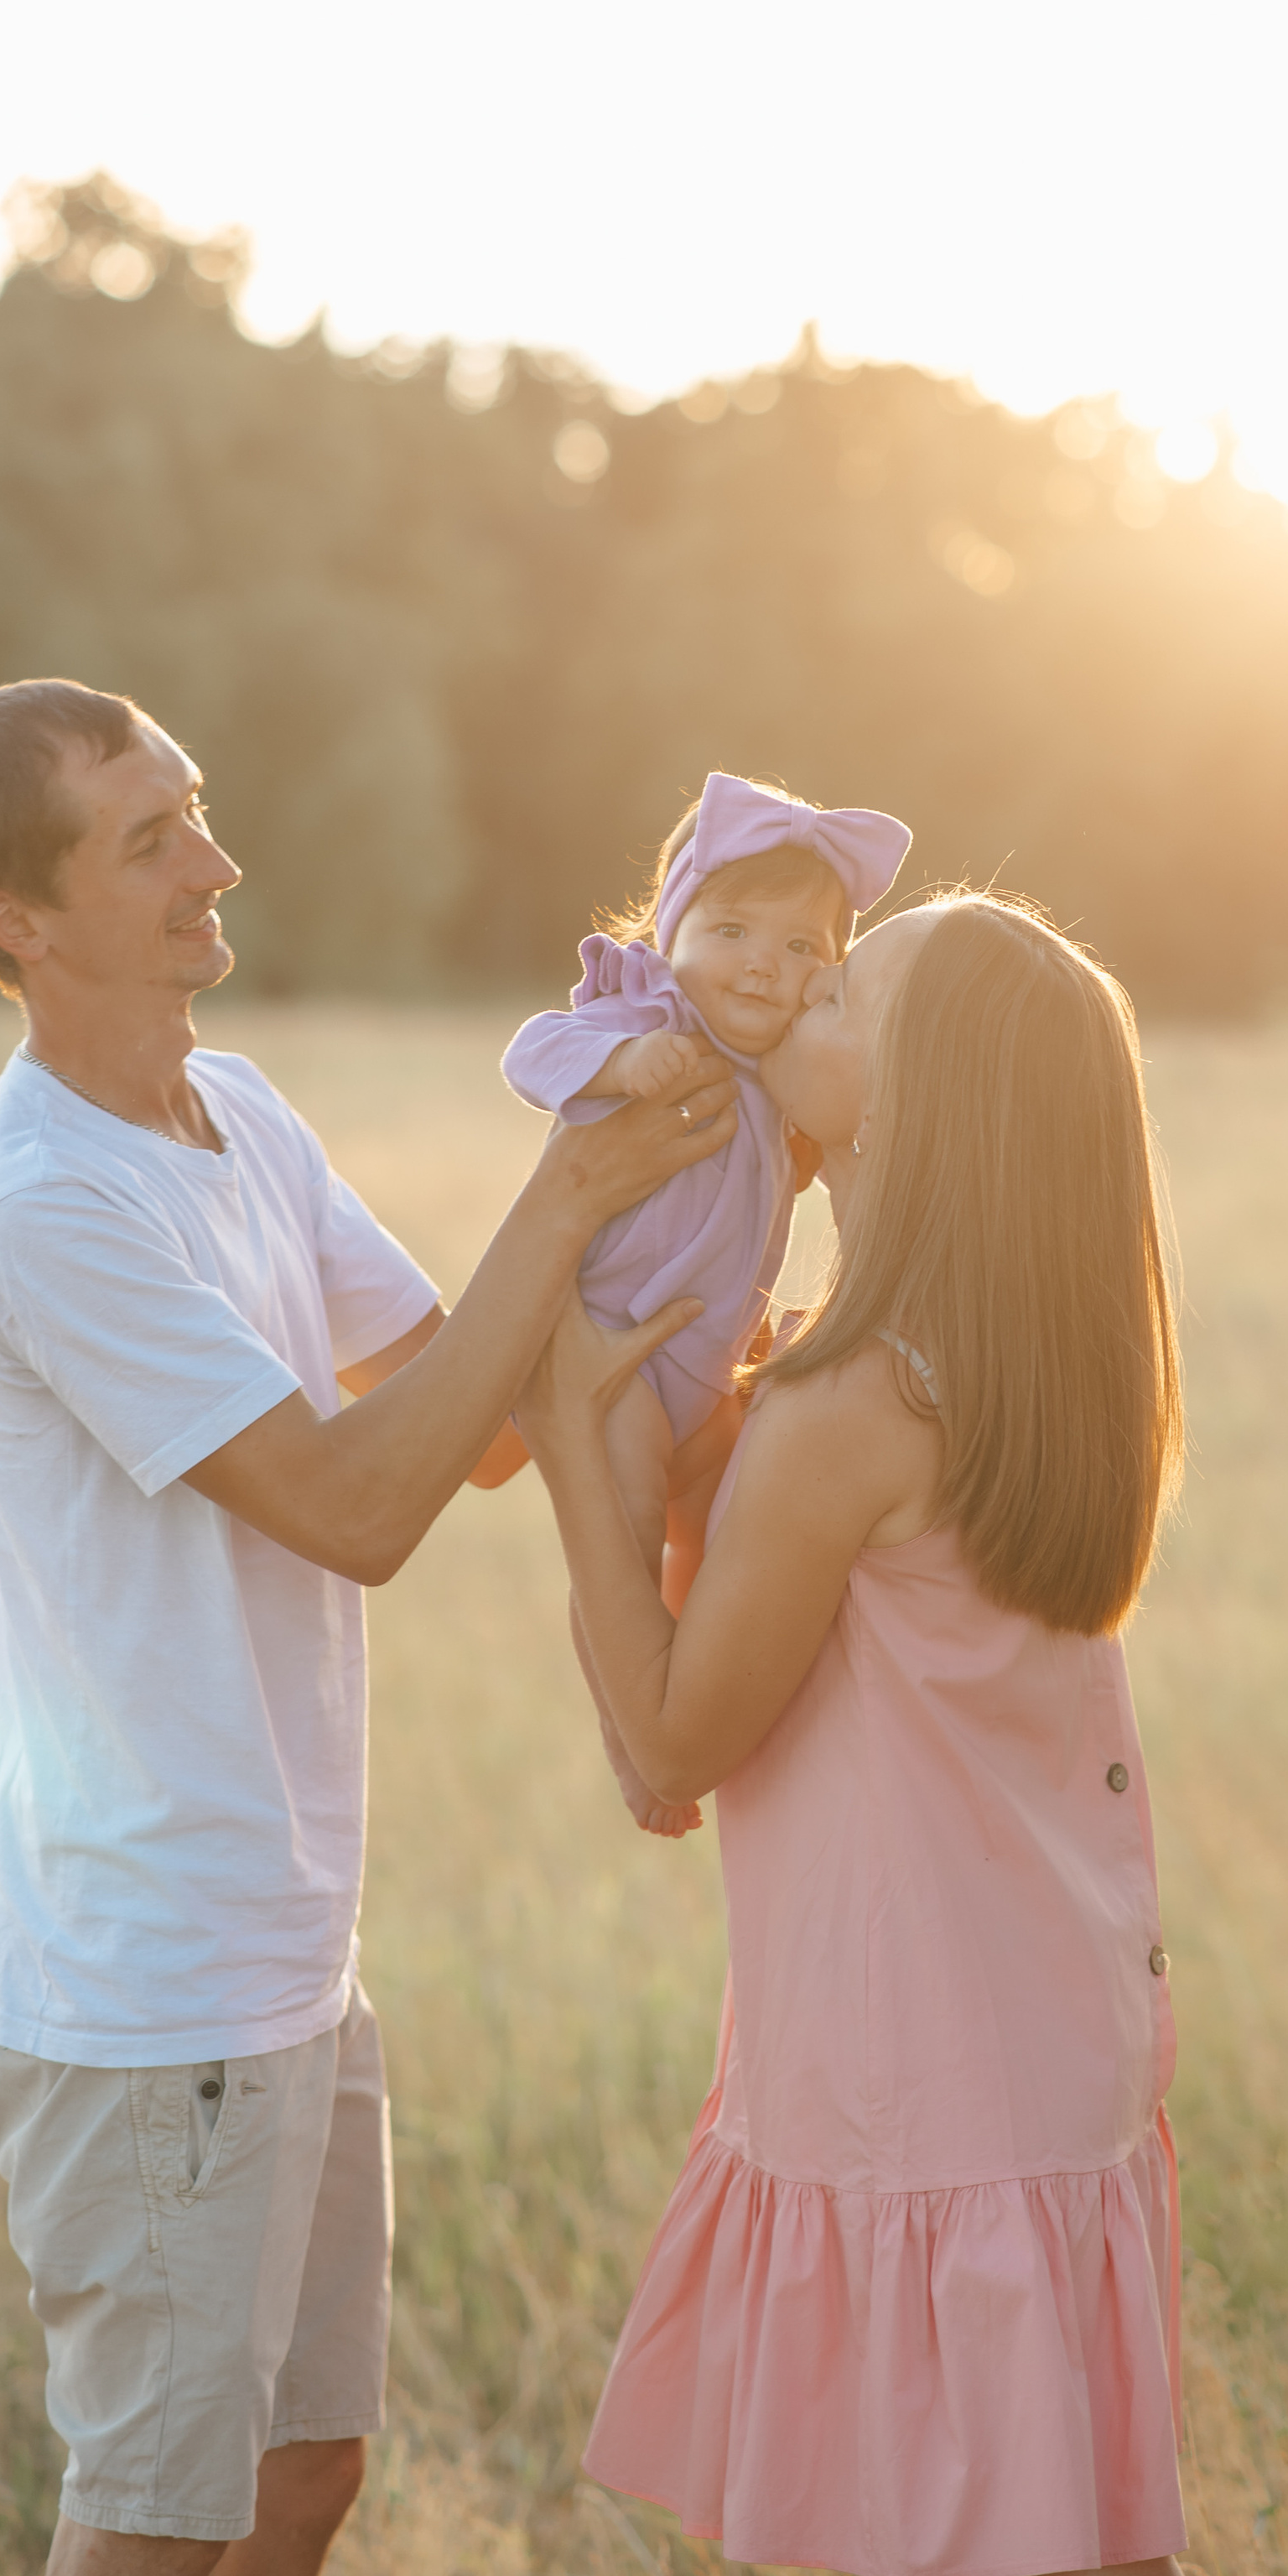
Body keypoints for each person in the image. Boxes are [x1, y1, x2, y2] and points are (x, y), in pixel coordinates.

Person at [0, 678, 733, 2576]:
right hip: (150, 1974)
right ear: (19, 920)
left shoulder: (238, 1111)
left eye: (196, 810)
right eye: (149, 838)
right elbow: (362, 1500)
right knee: (158, 2516)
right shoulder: (43, 1206)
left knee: (302, 2474)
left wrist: (700, 1192)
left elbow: (485, 1410)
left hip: (281, 1937)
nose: (217, 863)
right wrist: (571, 1185)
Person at [517, 895, 1204, 2576]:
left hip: (926, 2054)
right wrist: (682, 1463)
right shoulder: (1001, 1367)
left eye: (838, 995)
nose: (789, 996)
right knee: (978, 2538)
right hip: (1027, 2022)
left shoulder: (850, 1410)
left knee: (1053, 2567)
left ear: (904, 1107)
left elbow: (669, 1745)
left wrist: (573, 1450)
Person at [501, 772, 910, 1833]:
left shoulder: (775, 1060)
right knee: (623, 1540)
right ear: (670, 925)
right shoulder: (647, 1009)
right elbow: (531, 1052)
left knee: (724, 1535)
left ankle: (697, 1683)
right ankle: (633, 1735)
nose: (763, 969)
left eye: (801, 951)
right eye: (731, 930)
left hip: (708, 1373)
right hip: (618, 1358)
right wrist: (624, 1060)